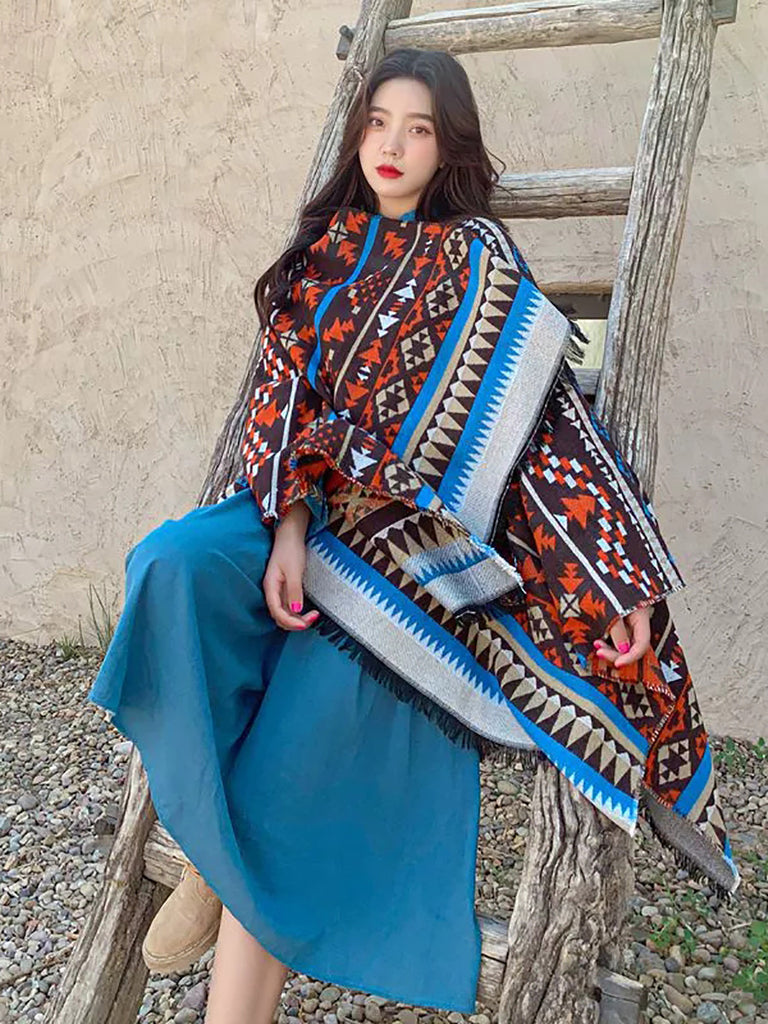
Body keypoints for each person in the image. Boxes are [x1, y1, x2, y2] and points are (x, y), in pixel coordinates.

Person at [88, 47, 738, 1024]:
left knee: (307, 722)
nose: (392, 144)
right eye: (378, 122)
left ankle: (221, 869)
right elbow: (278, 399)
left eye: (419, 128)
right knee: (169, 565)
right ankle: (213, 844)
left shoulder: (477, 260)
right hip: (301, 510)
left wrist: (620, 579)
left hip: (408, 547)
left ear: (447, 147)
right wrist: (291, 525)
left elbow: (552, 429)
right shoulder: (324, 253)